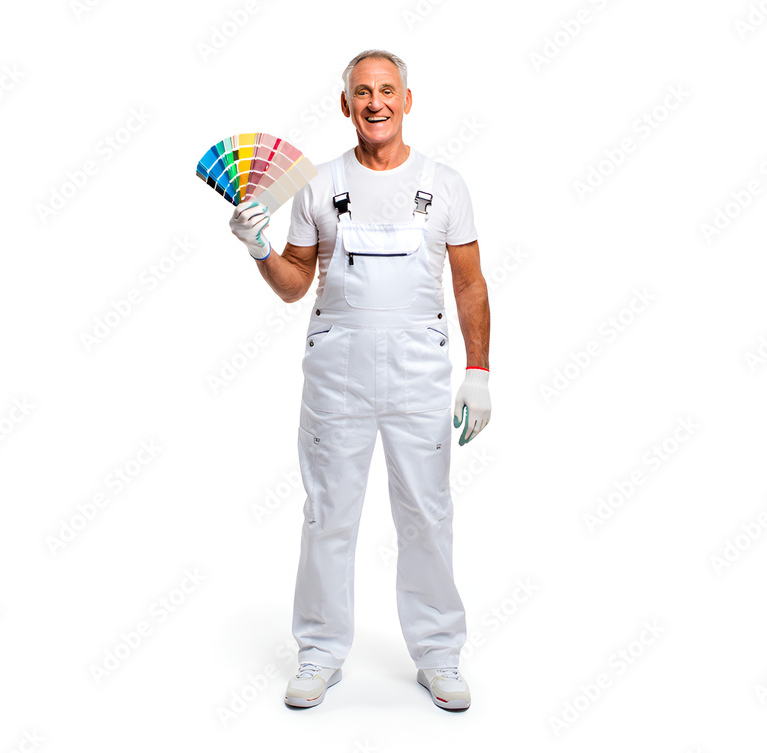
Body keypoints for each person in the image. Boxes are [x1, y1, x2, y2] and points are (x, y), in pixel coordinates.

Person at [229, 49, 491, 711]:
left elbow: (469, 284)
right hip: (336, 375)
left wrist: (479, 372)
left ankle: (439, 654)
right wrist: (259, 247)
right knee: (328, 515)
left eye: (387, 90)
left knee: (427, 514)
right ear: (346, 105)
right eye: (363, 92)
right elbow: (295, 284)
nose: (376, 103)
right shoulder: (318, 185)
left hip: (419, 372)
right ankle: (319, 652)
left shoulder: (445, 184)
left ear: (407, 100)